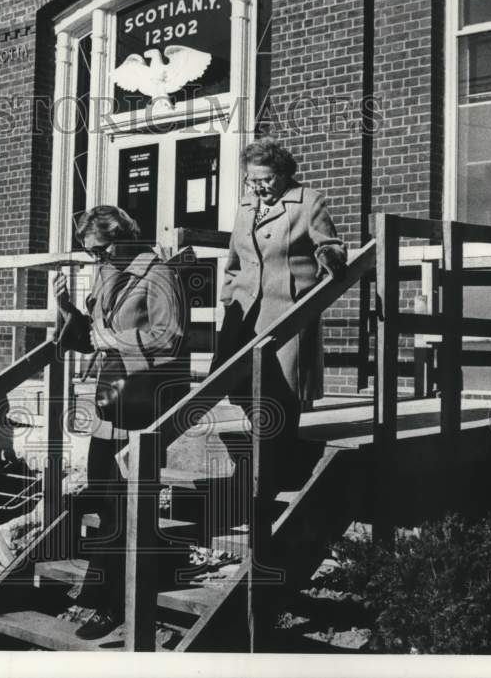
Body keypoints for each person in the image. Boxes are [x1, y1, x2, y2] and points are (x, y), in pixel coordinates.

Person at [53, 205, 189, 640]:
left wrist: (114, 339)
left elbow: (171, 337)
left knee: (123, 503)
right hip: (109, 398)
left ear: (126, 233)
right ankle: (101, 590)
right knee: (102, 497)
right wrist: (65, 309)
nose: (98, 257)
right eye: (92, 252)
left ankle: (114, 603)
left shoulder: (158, 272)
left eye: (103, 247)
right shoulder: (107, 270)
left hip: (143, 401)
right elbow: (88, 338)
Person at [213, 137, 347, 489]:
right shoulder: (245, 206)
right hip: (244, 311)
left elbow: (329, 244)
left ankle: (276, 473)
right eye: (252, 180)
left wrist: (329, 258)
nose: (259, 187)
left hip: (286, 311)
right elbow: (234, 261)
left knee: (280, 393)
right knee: (234, 382)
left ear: (284, 174)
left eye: (267, 179)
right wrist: (227, 299)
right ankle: (266, 457)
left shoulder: (309, 202)